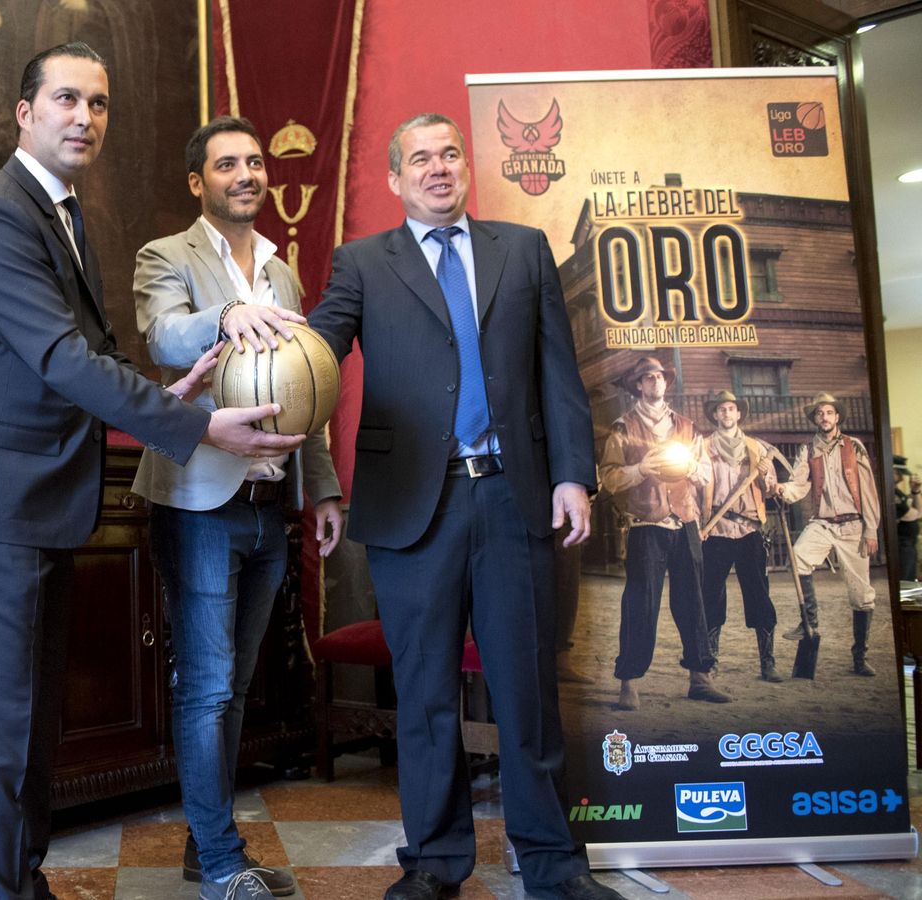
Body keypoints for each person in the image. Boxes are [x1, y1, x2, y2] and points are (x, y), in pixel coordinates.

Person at [0, 42, 303, 900]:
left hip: (36, 504)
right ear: (25, 112)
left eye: (100, 103)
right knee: (0, 737)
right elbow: (59, 358)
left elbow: (85, 355)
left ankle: (23, 886)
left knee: (33, 730)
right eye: (67, 99)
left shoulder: (62, 214)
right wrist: (197, 424)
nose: (86, 117)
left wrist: (174, 387)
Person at [306, 113, 619, 900]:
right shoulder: (361, 263)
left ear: (464, 166)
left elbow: (558, 371)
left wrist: (572, 474)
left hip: (515, 501)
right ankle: (437, 864)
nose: (439, 168)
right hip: (415, 507)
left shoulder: (523, 249)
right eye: (421, 158)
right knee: (425, 699)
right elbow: (316, 350)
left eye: (450, 154)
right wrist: (253, 329)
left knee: (527, 695)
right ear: (394, 177)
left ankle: (552, 867)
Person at [131, 116, 342, 900]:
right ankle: (222, 863)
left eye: (255, 162)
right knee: (208, 685)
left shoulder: (283, 275)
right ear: (199, 182)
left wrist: (319, 485)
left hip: (268, 506)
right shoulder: (167, 257)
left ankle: (201, 841)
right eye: (228, 164)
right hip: (197, 502)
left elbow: (305, 392)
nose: (247, 174)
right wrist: (223, 317)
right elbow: (161, 335)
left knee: (238, 684)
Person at [598, 356, 727, 709]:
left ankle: (700, 677)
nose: (655, 382)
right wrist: (640, 469)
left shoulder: (686, 426)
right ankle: (630, 683)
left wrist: (691, 467)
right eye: (647, 378)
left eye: (659, 377)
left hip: (684, 520)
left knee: (693, 600)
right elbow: (608, 477)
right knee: (640, 601)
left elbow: (703, 471)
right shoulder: (622, 427)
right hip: (645, 524)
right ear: (638, 386)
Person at [779, 392, 882, 676]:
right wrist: (780, 489)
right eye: (819, 413)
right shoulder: (808, 450)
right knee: (797, 557)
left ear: (837, 416)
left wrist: (871, 529)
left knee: (861, 596)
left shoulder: (854, 446)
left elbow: (868, 490)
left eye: (828, 412)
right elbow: (798, 486)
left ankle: (859, 658)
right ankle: (809, 621)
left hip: (853, 526)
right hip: (823, 523)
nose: (824, 417)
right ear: (814, 419)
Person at [696, 390, 783, 682]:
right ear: (715, 415)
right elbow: (696, 488)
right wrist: (698, 524)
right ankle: (710, 661)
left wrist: (764, 476)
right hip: (716, 531)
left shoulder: (756, 448)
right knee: (710, 594)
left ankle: (767, 663)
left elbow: (771, 489)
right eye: (721, 410)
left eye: (731, 409)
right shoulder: (704, 447)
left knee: (759, 593)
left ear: (738, 413)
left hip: (749, 530)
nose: (726, 414)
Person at [893, 456, 918, 582]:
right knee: (905, 581)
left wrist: (915, 491)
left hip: (909, 544)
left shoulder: (898, 491)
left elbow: (918, 510)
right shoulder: (890, 491)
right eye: (899, 473)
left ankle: (909, 602)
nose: (902, 477)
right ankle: (905, 602)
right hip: (901, 544)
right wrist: (913, 509)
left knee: (910, 579)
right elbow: (915, 514)